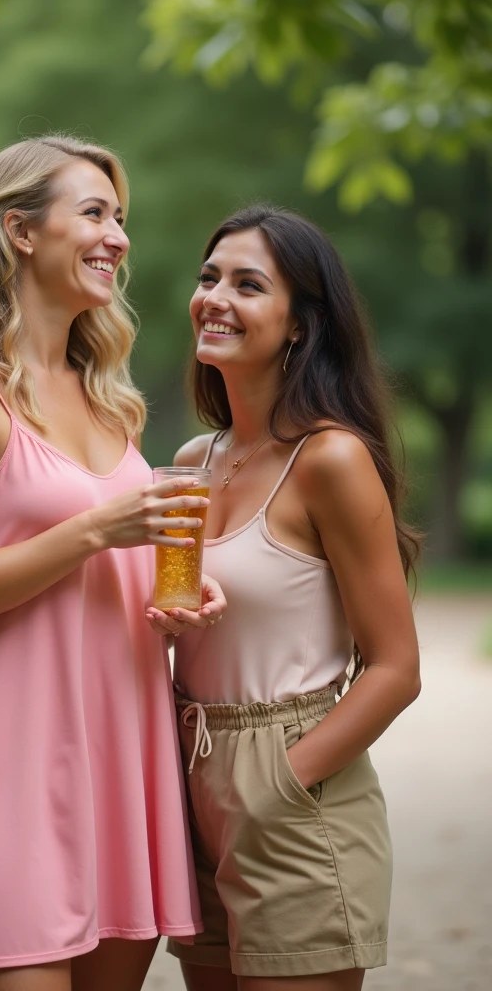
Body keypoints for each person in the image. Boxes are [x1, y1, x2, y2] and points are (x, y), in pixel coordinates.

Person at [0, 135, 227, 991]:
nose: (118, 235)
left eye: (122, 219)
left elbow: (115, 563)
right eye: (94, 213)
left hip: (124, 751)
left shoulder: (112, 399)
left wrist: (175, 595)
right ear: (20, 231)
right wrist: (94, 532)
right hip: (12, 757)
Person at [155, 204, 421, 991]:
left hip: (292, 792)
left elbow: (396, 668)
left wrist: (276, 783)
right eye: (209, 278)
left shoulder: (330, 459)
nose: (215, 298)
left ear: (300, 324)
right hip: (189, 771)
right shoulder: (191, 461)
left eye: (248, 284)